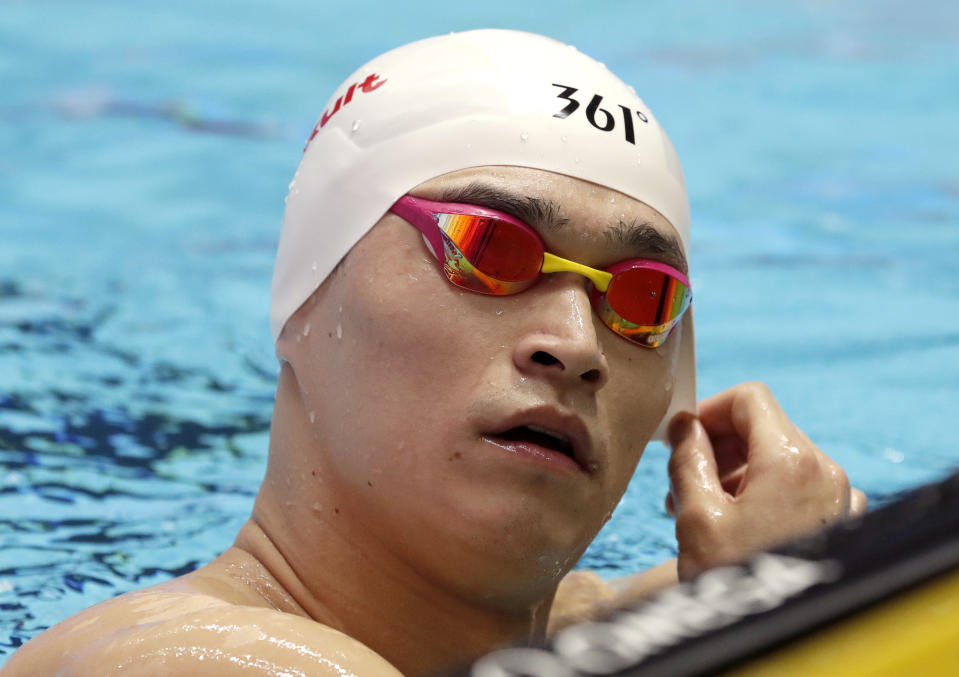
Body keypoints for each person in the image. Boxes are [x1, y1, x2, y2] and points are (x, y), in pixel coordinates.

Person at [1, 29, 865, 677]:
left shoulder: (589, 625)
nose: (574, 345)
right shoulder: (189, 663)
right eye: (489, 251)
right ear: (307, 295)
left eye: (641, 298)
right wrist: (770, 618)